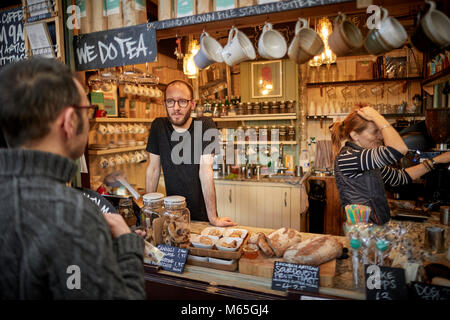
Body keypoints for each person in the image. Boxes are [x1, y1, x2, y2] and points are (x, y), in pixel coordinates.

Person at [0, 58, 145, 299]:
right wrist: (127, 245)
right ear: (69, 121)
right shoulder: (72, 216)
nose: (90, 121)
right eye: (89, 111)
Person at [331, 106, 450, 225]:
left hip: (376, 231)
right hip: (362, 234)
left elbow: (398, 177)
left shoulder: (366, 159)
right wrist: (377, 117)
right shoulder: (349, 157)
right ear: (354, 135)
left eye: (380, 131)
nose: (381, 136)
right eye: (375, 131)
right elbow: (398, 150)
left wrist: (437, 160)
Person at [146, 80, 236, 227]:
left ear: (192, 104)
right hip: (172, 213)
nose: (176, 107)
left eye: (182, 101)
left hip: (202, 215)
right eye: (170, 101)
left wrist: (213, 218)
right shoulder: (158, 126)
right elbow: (153, 169)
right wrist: (148, 213)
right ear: (164, 104)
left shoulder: (206, 124)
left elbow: (205, 170)